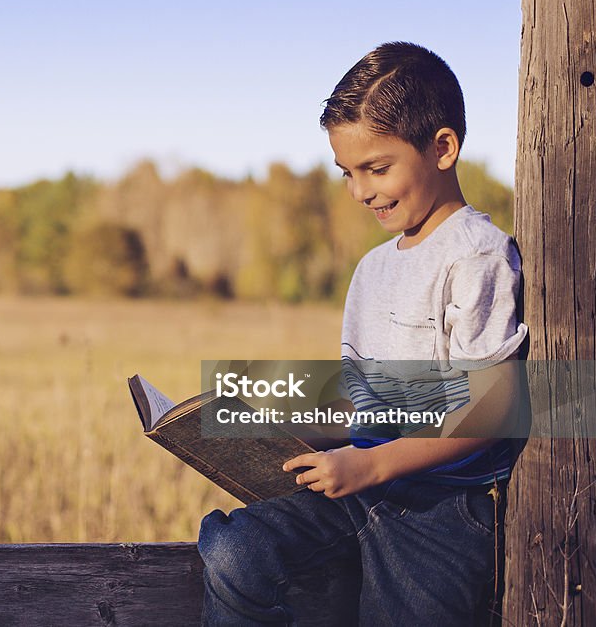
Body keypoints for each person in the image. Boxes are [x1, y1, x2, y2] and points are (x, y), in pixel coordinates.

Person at [198, 42, 528, 625]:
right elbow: (367, 398)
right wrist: (289, 430)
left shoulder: (478, 254)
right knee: (234, 549)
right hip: (359, 488)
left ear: (443, 148)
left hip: (442, 510)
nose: (360, 191)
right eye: (347, 172)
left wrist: (371, 466)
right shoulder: (372, 269)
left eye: (377, 168)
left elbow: (493, 407)